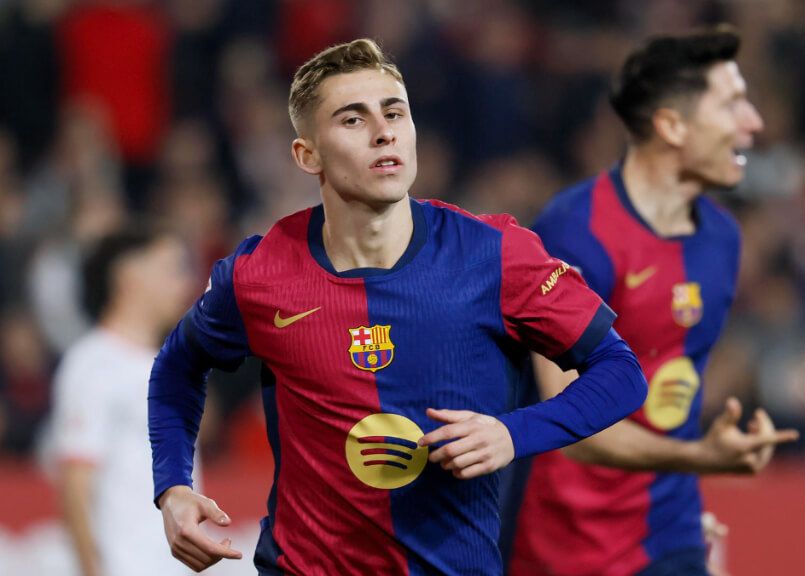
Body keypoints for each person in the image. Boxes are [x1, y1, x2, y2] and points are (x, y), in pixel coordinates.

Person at [148, 38, 646, 575]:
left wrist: (513, 433)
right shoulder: (257, 273)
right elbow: (177, 365)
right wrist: (172, 486)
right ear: (306, 154)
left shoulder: (496, 254)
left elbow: (620, 372)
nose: (384, 131)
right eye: (352, 119)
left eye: (394, 112)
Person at [509, 25, 799, 576]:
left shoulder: (722, 237)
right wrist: (698, 459)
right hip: (569, 545)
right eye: (733, 103)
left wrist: (689, 501)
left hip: (669, 531)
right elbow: (566, 418)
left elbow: (675, 383)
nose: (753, 122)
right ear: (671, 125)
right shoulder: (577, 232)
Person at [50, 228, 193, 576]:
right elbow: (76, 485)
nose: (185, 283)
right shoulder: (93, 363)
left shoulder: (164, 365)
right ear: (130, 278)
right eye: (171, 269)